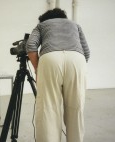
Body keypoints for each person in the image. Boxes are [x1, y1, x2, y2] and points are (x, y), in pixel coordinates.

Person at [26, 8, 90, 142]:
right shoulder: (75, 25)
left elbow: (31, 46)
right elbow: (87, 52)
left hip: (50, 58)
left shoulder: (42, 25)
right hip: (77, 59)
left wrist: (38, 69)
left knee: (48, 107)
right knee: (76, 107)